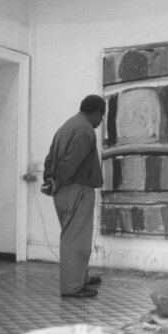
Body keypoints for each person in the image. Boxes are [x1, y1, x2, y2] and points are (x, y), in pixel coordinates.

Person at [43, 95, 106, 298]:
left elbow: (50, 157)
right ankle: (72, 287)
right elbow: (71, 161)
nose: (101, 121)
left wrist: (50, 180)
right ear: (96, 112)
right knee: (75, 240)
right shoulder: (85, 129)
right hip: (76, 189)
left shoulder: (67, 126)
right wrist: (59, 180)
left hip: (63, 191)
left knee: (74, 236)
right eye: (101, 116)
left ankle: (81, 277)